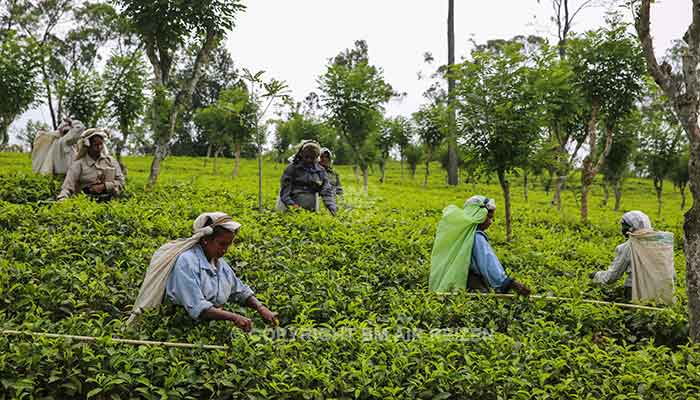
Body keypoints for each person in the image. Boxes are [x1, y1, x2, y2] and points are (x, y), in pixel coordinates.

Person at [128, 212, 278, 332]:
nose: (225, 250)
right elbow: (197, 306)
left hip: (208, 328)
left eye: (229, 244)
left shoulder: (220, 263)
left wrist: (261, 308)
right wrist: (234, 317)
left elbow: (240, 290)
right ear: (206, 240)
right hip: (178, 328)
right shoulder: (187, 262)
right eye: (221, 244)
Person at [429, 195, 530, 295]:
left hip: (447, 288)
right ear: (478, 214)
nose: (490, 222)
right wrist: (510, 283)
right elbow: (488, 262)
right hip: (470, 287)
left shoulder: (457, 234)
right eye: (489, 218)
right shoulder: (476, 237)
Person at [591, 211, 675, 304]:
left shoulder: (628, 247)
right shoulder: (662, 244)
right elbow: (672, 275)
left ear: (630, 228)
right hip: (663, 293)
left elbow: (611, 277)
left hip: (635, 292)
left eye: (624, 226)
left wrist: (596, 275)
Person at [57, 128, 125, 202]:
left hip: (110, 203)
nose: (99, 148)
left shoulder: (111, 161)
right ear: (88, 145)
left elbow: (121, 182)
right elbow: (67, 187)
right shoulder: (78, 165)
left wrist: (105, 186)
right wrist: (62, 199)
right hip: (85, 204)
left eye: (101, 144)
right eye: (95, 145)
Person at [277, 140, 337, 215]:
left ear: (317, 157)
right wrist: (292, 206)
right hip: (290, 209)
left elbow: (326, 191)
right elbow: (285, 193)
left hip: (311, 209)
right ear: (301, 154)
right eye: (306, 157)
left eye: (312, 158)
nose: (308, 160)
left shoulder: (320, 171)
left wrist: (331, 206)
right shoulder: (292, 168)